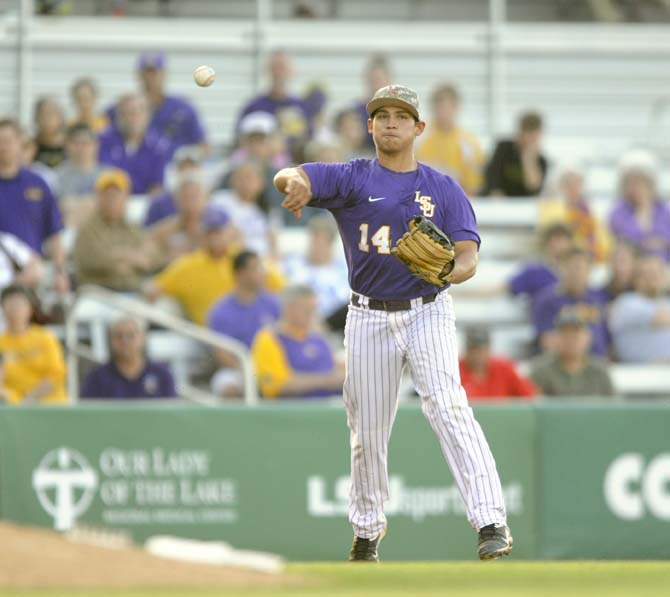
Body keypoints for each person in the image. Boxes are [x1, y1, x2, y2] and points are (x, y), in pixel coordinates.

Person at [274, 84, 513, 561]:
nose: (390, 122)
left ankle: (491, 521)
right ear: (369, 125)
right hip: (367, 315)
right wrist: (293, 183)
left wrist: (449, 271)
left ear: (418, 127)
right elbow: (289, 173)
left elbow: (468, 256)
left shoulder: (442, 187)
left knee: (448, 407)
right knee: (367, 427)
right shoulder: (352, 177)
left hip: (428, 309)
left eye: (401, 116)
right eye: (381, 114)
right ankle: (366, 531)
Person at [144, 205, 284, 325]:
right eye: (210, 232)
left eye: (218, 231)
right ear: (202, 234)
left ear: (228, 232)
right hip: (209, 336)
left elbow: (279, 284)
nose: (214, 237)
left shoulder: (243, 258)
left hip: (248, 327)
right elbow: (154, 289)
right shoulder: (188, 265)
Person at [0, 118, 69, 294]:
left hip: (32, 271)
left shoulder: (37, 184)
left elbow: (54, 232)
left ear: (19, 142)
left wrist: (60, 272)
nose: (4, 147)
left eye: (8, 141)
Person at [207, 250, 281, 397]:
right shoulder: (222, 310)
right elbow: (221, 352)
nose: (262, 272)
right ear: (241, 274)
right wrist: (249, 371)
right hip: (238, 368)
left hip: (272, 365)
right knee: (228, 386)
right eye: (256, 268)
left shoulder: (273, 303)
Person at [252, 284, 343, 399]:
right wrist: (324, 381)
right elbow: (276, 385)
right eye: (306, 310)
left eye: (314, 309)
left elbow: (335, 368)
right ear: (289, 308)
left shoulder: (317, 338)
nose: (311, 314)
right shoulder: (269, 338)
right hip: (292, 409)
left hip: (330, 403)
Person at [73, 169, 158, 292]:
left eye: (116, 194)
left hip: (133, 292)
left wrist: (121, 255)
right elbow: (92, 261)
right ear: (98, 198)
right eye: (107, 195)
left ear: (126, 198)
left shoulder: (133, 228)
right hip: (99, 293)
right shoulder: (87, 229)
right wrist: (130, 257)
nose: (112, 199)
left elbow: (151, 257)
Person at [532, 246, 609, 357]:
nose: (576, 273)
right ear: (561, 269)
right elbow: (547, 342)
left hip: (598, 364)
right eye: (571, 268)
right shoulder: (547, 300)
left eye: (581, 268)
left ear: (589, 271)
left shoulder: (598, 298)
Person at [236, 50, 311, 157]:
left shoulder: (300, 107)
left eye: (282, 67)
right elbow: (239, 142)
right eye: (275, 68)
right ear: (266, 71)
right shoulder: (254, 107)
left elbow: (308, 141)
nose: (279, 73)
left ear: (291, 71)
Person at [81, 316, 178, 400]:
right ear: (110, 341)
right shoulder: (97, 377)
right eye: (119, 336)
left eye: (130, 336)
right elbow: (88, 416)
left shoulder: (162, 375)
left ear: (143, 339)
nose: (124, 341)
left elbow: (173, 415)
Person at [0, 284, 66, 404]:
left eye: (19, 305)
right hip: (13, 409)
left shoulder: (45, 337)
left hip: (49, 404)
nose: (15, 310)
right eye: (10, 304)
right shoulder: (1, 343)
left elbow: (56, 375)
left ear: (30, 309)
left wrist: (30, 399)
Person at [282, 214, 350, 330]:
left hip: (336, 327)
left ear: (330, 243)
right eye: (313, 239)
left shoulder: (345, 269)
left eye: (320, 241)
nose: (315, 245)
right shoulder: (293, 264)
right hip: (299, 322)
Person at [416, 83, 485, 197]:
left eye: (447, 107)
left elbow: (474, 186)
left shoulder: (469, 143)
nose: (443, 112)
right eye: (440, 106)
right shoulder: (418, 138)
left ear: (456, 108)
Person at [135, 50, 207, 156]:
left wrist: (189, 157)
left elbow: (203, 145)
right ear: (139, 76)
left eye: (154, 73)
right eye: (147, 73)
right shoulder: (125, 109)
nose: (150, 78)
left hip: (176, 168)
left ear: (164, 75)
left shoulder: (183, 109)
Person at [530, 309, 615, 397]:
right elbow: (532, 404)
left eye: (576, 335)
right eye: (565, 334)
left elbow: (613, 406)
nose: (570, 340)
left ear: (588, 338)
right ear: (556, 338)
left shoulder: (599, 371)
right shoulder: (541, 370)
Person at [99, 93, 171, 195]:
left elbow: (157, 185)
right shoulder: (103, 141)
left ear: (147, 115)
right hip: (110, 199)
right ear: (118, 116)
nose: (131, 119)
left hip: (144, 201)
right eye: (125, 113)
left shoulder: (158, 145)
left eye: (135, 113)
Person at [538, 162, 611, 262]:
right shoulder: (551, 208)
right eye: (568, 182)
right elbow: (553, 237)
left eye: (577, 182)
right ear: (559, 185)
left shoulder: (590, 211)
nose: (573, 187)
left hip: (594, 261)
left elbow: (604, 242)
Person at [608, 150, 670, 261]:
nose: (635, 188)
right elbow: (614, 245)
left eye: (639, 182)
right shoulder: (618, 213)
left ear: (650, 183)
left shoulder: (665, 211)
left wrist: (663, 243)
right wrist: (641, 245)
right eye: (630, 183)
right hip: (633, 272)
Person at [609, 253, 670, 362]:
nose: (653, 278)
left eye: (657, 273)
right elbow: (661, 318)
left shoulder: (667, 302)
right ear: (636, 279)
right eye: (648, 274)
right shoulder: (626, 302)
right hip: (637, 373)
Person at [213, 161, 275, 257]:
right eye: (241, 177)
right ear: (233, 180)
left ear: (261, 183)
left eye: (250, 178)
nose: (245, 182)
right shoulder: (220, 200)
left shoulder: (267, 209)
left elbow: (273, 242)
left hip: (261, 261)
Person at [148, 171, 209, 268]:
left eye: (194, 196)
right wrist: (165, 258)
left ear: (206, 198)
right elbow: (147, 251)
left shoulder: (218, 227)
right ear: (176, 200)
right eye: (185, 197)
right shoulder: (165, 229)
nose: (190, 202)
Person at [459, 327, 536, 400]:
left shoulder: (504, 368)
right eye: (473, 349)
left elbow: (529, 396)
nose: (478, 355)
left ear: (488, 349)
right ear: (466, 350)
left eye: (482, 350)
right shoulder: (456, 371)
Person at [483, 111, 548, 197]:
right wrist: (496, 191)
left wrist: (528, 159)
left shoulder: (541, 161)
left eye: (534, 136)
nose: (529, 140)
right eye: (528, 134)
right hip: (498, 201)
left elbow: (534, 189)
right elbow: (492, 174)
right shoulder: (503, 148)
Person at [143, 145, 204, 227]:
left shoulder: (209, 201)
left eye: (192, 167)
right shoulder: (159, 204)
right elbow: (148, 234)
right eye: (184, 167)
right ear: (176, 170)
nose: (188, 171)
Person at [55, 124, 103, 227]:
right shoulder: (57, 176)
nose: (81, 148)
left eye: (86, 143)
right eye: (76, 143)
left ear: (96, 145)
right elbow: (60, 209)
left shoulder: (108, 175)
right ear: (67, 145)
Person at [353, 54, 393, 151]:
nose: (375, 84)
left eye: (379, 79)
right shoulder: (356, 111)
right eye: (372, 80)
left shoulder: (398, 111)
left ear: (388, 80)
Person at [32, 96, 67, 169]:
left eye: (52, 114)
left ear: (61, 117)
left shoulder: (71, 146)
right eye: (43, 114)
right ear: (36, 118)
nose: (48, 119)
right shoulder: (30, 146)